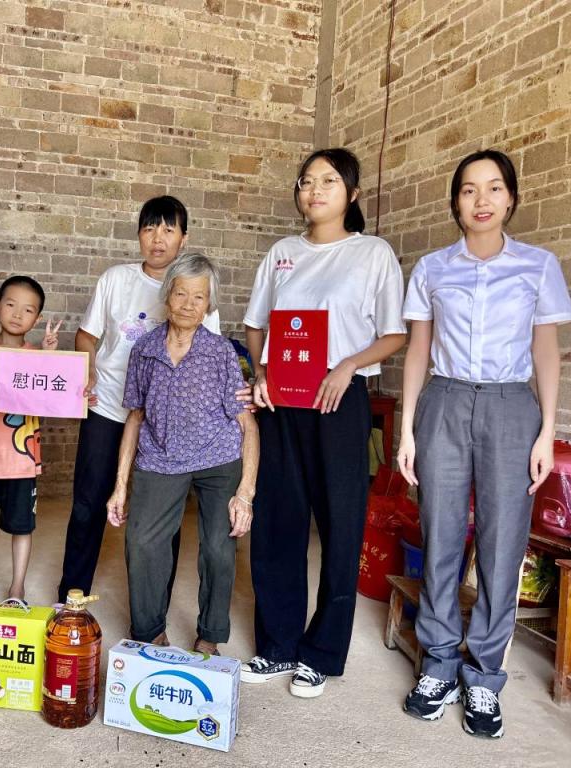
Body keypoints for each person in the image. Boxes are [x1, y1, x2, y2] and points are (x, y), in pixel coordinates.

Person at [397, 149, 571, 738]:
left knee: (503, 542)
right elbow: (418, 349)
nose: (481, 200)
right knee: (441, 534)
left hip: (511, 405)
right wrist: (407, 428)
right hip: (444, 402)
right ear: (456, 202)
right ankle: (438, 663)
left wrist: (546, 430)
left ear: (511, 198)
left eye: (494, 188)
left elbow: (545, 350)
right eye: (469, 189)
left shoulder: (538, 266)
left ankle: (484, 674)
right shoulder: (432, 268)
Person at [241, 148, 407, 697]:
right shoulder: (282, 253)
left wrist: (349, 365)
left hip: (339, 400)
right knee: (277, 522)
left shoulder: (372, 253)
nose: (314, 190)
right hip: (283, 401)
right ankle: (278, 645)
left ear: (352, 194)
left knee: (341, 525)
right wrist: (261, 372)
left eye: (329, 181)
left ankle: (322, 653)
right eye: (307, 181)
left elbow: (394, 333)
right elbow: (257, 325)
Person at [56, 196, 226, 604]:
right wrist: (89, 368)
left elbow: (212, 354)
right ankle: (71, 597)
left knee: (163, 517)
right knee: (88, 503)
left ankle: (155, 608)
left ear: (184, 238)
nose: (158, 238)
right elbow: (86, 336)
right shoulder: (116, 279)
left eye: (168, 229)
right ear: (138, 234)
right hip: (109, 405)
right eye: (149, 228)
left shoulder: (195, 289)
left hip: (165, 422)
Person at [107, 254, 258, 654]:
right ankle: (149, 631)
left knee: (219, 547)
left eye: (199, 297)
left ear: (209, 304)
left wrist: (245, 494)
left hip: (217, 458)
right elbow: (135, 418)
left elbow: (248, 425)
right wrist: (120, 487)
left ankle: (210, 634)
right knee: (141, 541)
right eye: (181, 294)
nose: (189, 304)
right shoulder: (144, 350)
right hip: (160, 458)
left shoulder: (221, 352)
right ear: (167, 295)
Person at [0, 276, 60, 608]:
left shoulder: (39, 358)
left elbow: (53, 401)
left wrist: (49, 358)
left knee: (23, 527)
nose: (18, 314)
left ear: (38, 318)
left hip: (22, 462)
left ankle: (17, 587)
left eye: (28, 310)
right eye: (11, 305)